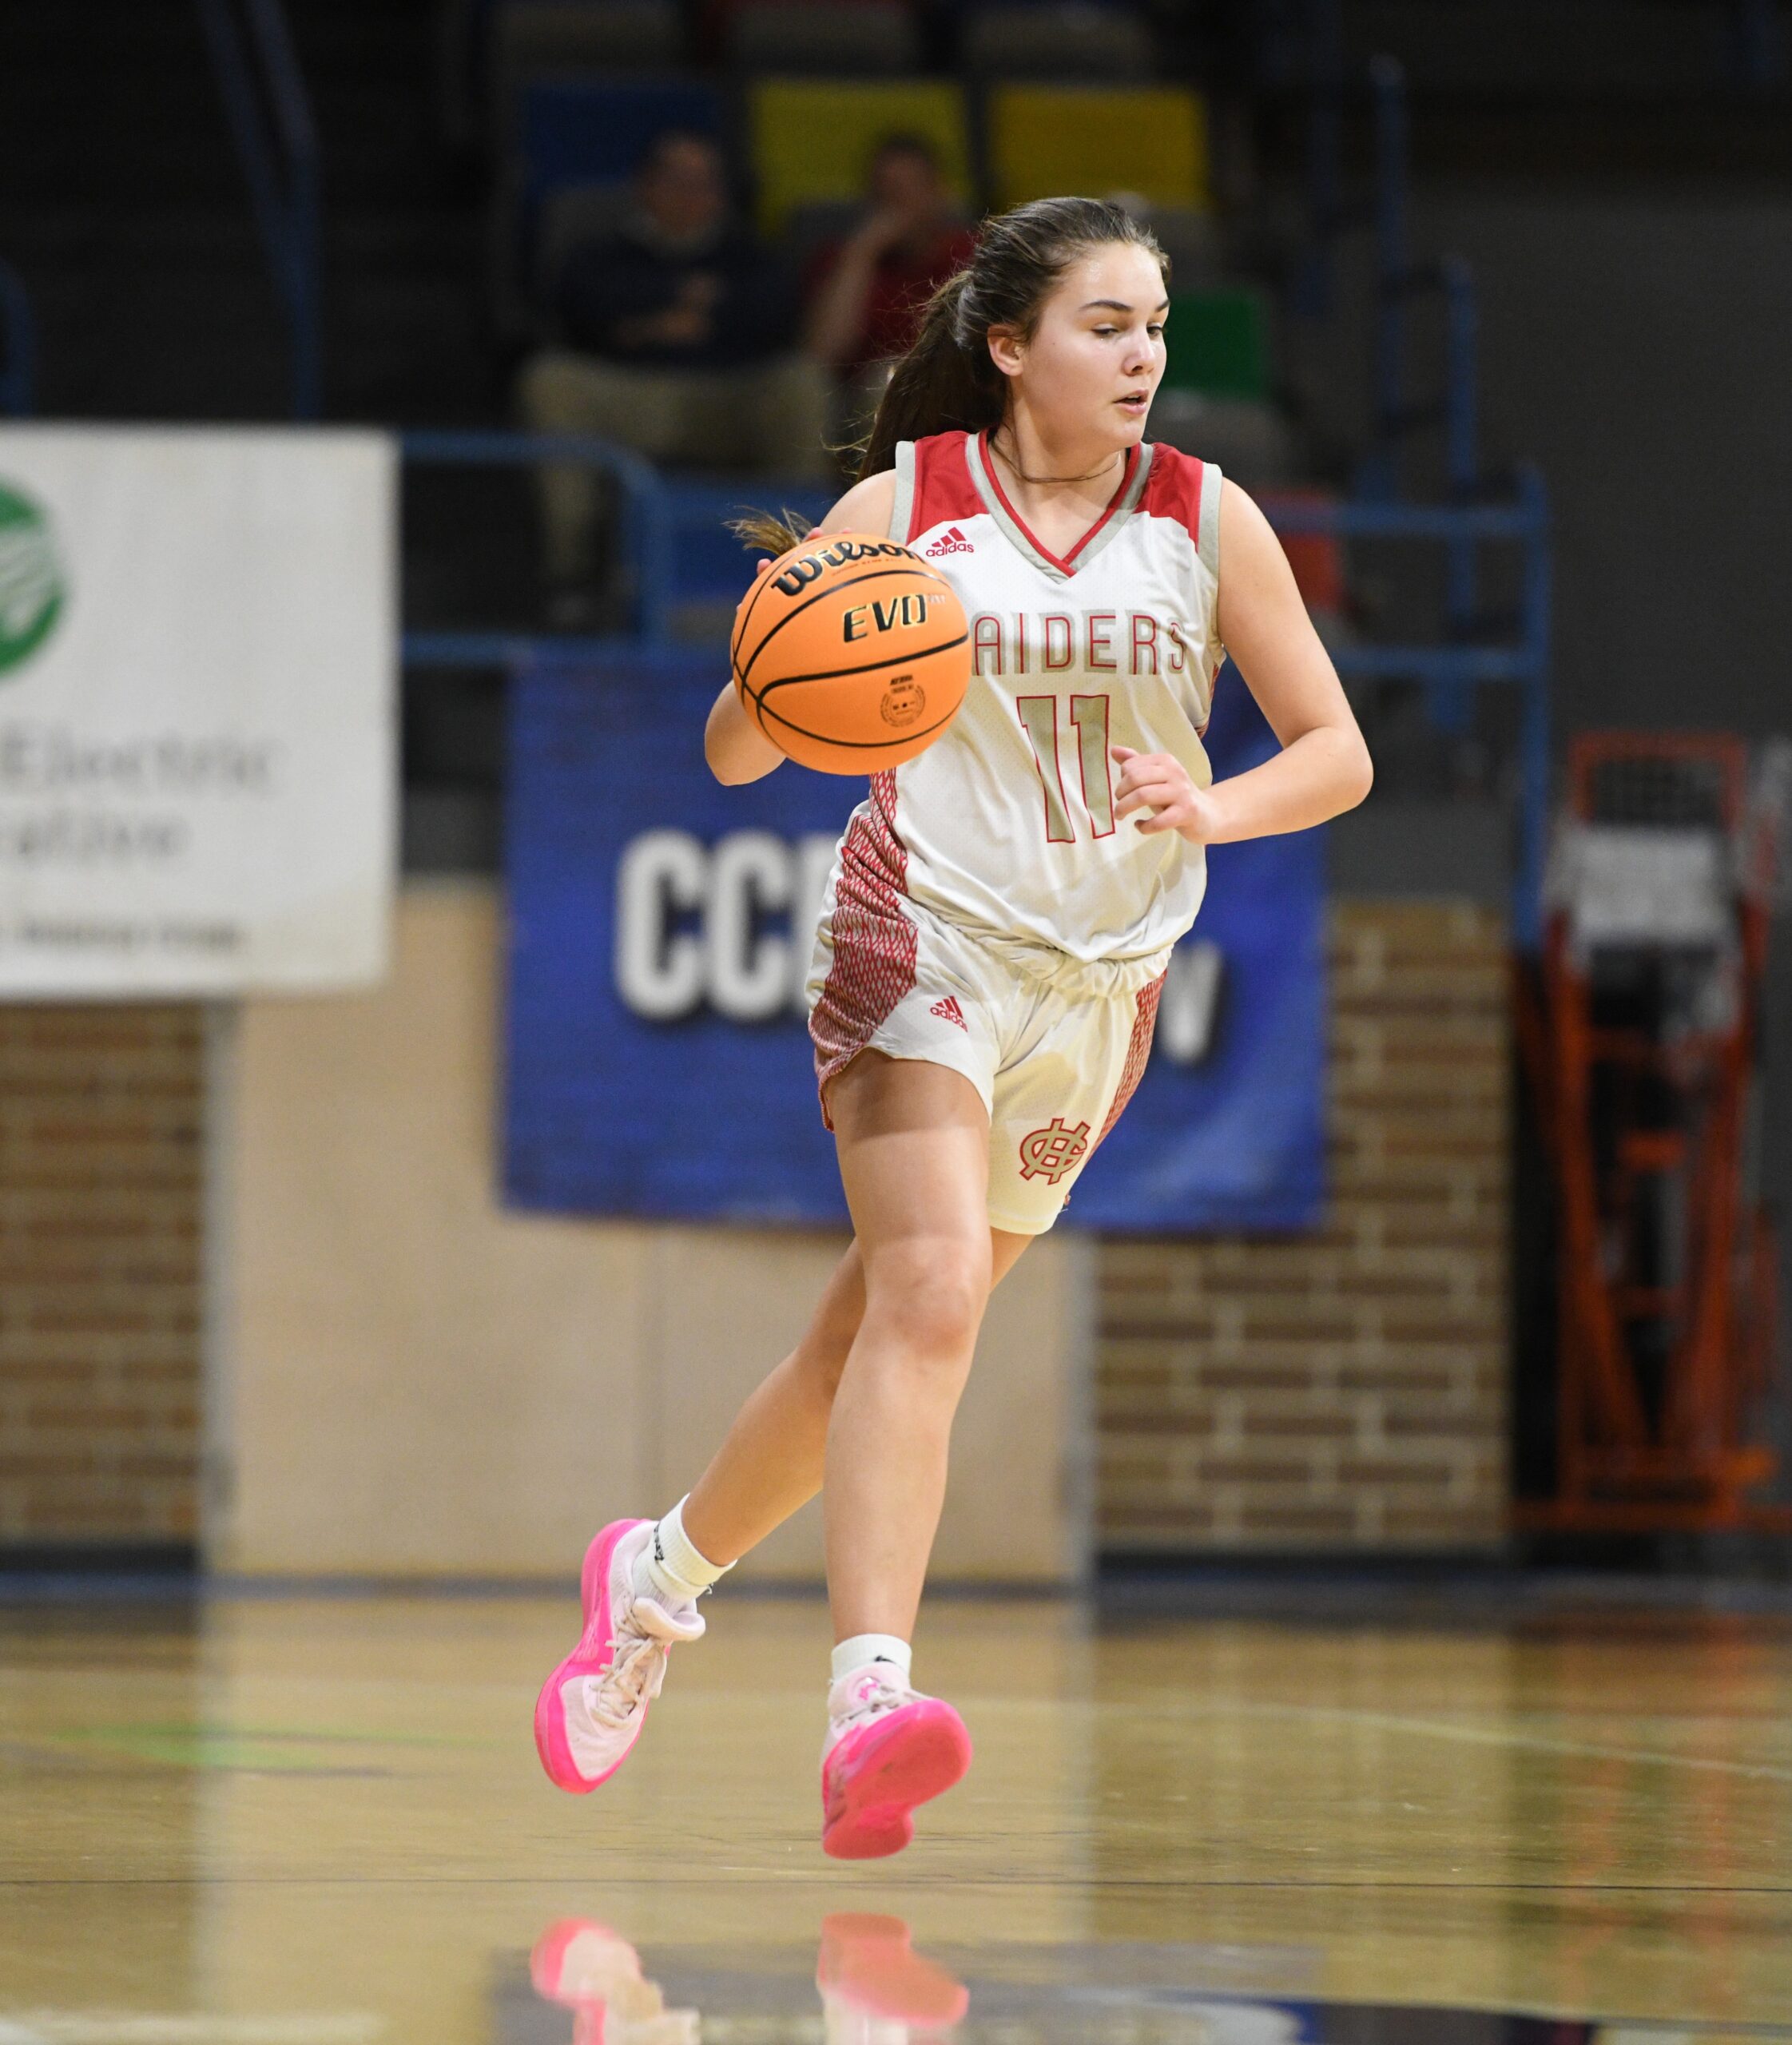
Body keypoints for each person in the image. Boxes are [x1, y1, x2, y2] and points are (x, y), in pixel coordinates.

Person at [532, 198, 1373, 1856]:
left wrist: (1214, 805)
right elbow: (730, 754)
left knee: (861, 1344)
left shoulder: (1205, 518)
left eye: (1152, 327)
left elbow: (1334, 750)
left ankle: (652, 1578)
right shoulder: (903, 510)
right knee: (927, 1298)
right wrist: (771, 661)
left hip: (1098, 986)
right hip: (918, 932)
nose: (1141, 356)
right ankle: (867, 1702)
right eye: (1103, 325)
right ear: (1007, 345)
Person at [517, 129, 831, 614]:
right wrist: (669, 317)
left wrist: (647, 322)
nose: (691, 194)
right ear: (645, 186)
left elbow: (773, 316)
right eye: (676, 180)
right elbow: (580, 307)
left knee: (801, 380)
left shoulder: (748, 256)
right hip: (629, 397)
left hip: (727, 399)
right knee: (549, 378)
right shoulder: (601, 253)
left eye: (704, 182)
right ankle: (571, 575)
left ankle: (804, 569)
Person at [803, 134, 977, 430]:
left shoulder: (970, 253)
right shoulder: (845, 259)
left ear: (938, 193)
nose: (898, 205)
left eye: (909, 190)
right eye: (886, 193)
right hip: (866, 397)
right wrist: (862, 254)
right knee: (890, 382)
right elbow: (823, 355)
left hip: (956, 384)